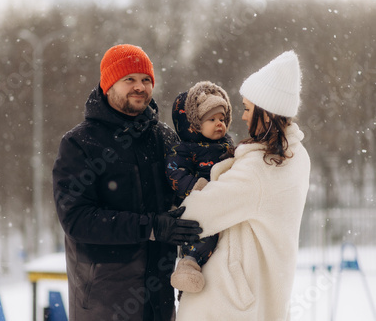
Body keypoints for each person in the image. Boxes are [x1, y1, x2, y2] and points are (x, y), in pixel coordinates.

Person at [52, 44, 202, 321]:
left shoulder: (165, 138)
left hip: (159, 298)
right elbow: (77, 219)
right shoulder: (80, 143)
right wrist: (153, 227)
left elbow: (188, 196)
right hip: (104, 300)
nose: (140, 87)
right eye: (129, 79)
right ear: (108, 85)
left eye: (146, 80)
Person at [175, 50, 311, 320]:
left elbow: (197, 214)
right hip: (259, 291)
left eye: (248, 109)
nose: (244, 117)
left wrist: (160, 219)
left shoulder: (261, 168)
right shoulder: (297, 156)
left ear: (267, 112)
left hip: (230, 301)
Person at [165, 81, 234, 293]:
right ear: (193, 125)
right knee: (203, 235)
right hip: (199, 203)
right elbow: (174, 171)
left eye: (222, 119)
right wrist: (196, 186)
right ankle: (188, 266)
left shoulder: (227, 144)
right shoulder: (184, 148)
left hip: (223, 203)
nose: (219, 124)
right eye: (211, 119)